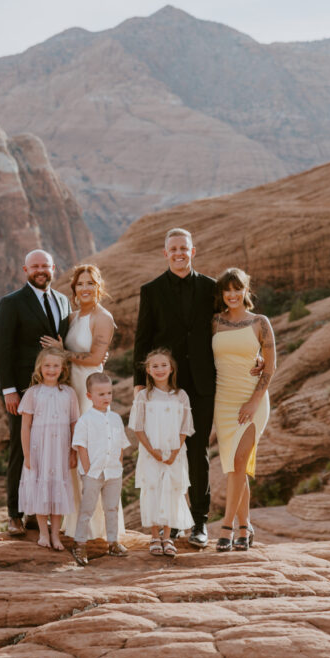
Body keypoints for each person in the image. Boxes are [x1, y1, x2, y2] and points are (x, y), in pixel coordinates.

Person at [133, 228, 218, 547]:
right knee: (163, 450)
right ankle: (165, 525)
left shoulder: (211, 287)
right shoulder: (151, 290)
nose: (179, 253)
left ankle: (198, 524)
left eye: (184, 248)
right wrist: (139, 384)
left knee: (198, 453)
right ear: (165, 253)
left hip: (201, 383)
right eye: (174, 248)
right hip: (163, 385)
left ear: (193, 251)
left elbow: (225, 327)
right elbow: (142, 337)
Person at [40, 264, 125, 542]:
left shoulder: (103, 318)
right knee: (72, 455)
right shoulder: (74, 316)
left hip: (89, 390)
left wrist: (63, 352)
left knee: (94, 452)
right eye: (80, 284)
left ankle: (97, 528)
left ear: (98, 286)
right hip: (70, 389)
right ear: (74, 289)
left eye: (90, 283)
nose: (85, 288)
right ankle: (76, 521)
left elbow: (94, 359)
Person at [0, 249, 72, 537]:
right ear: (25, 270)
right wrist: (9, 390)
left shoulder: (63, 301)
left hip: (55, 388)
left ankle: (35, 513)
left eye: (45, 266)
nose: (41, 270)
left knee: (50, 450)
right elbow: (2, 348)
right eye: (35, 266)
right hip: (23, 390)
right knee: (21, 448)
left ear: (54, 267)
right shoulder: (11, 303)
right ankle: (14, 514)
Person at [211, 268, 275, 552]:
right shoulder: (214, 322)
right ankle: (245, 525)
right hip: (223, 401)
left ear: (246, 290)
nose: (233, 294)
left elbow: (271, 367)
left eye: (238, 289)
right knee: (235, 467)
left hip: (252, 399)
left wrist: (253, 401)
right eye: (228, 290)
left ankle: (227, 527)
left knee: (238, 462)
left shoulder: (260, 322)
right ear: (222, 294)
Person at [129, 349, 196, 557]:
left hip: (175, 451)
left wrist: (175, 451)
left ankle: (167, 536)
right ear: (148, 371)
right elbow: (138, 427)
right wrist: (152, 450)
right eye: (154, 366)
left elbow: (185, 427)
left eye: (163, 365)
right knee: (153, 489)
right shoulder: (143, 396)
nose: (160, 369)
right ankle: (154, 536)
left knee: (172, 490)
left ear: (171, 368)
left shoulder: (181, 395)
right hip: (152, 452)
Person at [17, 347, 79, 550]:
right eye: (47, 366)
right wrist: (27, 454)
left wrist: (73, 451)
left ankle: (56, 535)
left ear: (62, 369)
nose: (51, 370)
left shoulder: (69, 393)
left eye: (55, 366)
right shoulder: (33, 393)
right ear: (39, 368)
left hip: (60, 448)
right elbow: (25, 425)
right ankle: (43, 533)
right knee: (41, 487)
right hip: (39, 448)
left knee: (58, 487)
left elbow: (73, 424)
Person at [69, 372, 132, 566]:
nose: (106, 398)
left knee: (111, 508)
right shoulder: (85, 420)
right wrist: (87, 470)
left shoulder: (115, 418)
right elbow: (81, 446)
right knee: (87, 509)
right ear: (89, 396)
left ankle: (112, 542)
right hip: (93, 473)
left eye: (109, 393)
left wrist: (119, 464)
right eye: (101, 394)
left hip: (113, 472)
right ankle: (80, 543)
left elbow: (121, 443)